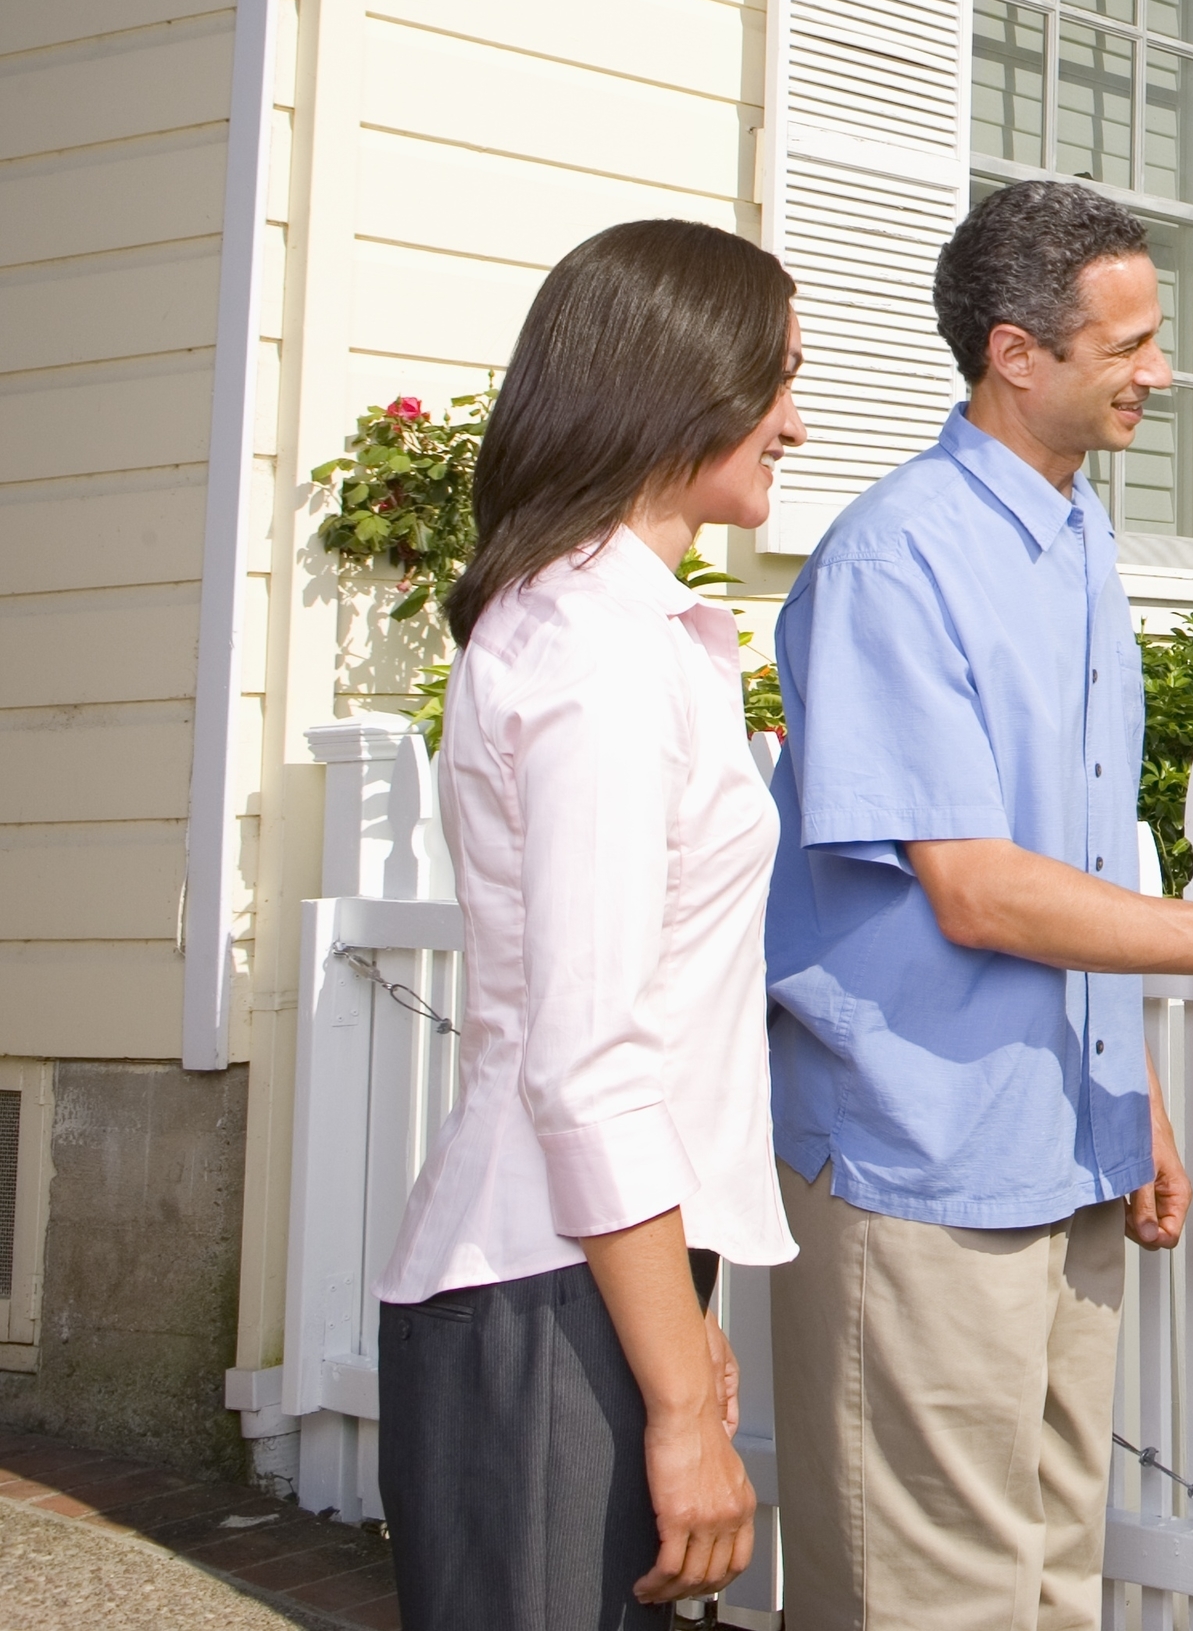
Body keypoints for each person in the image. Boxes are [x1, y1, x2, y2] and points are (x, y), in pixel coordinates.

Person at [760, 177, 1193, 1630]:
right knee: (927, 1598)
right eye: (1129, 342)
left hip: (1065, 1142)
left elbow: (1085, 856)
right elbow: (982, 888)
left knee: (1060, 1578)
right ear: (1017, 353)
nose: (1161, 371)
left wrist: (1134, 1096)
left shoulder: (1076, 538)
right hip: (919, 1164)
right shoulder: (895, 560)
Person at [372, 218, 808, 1627]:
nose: (793, 422)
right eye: (774, 378)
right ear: (675, 385)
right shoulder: (595, 654)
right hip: (544, 1283)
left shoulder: (626, 630)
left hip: (597, 1270)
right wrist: (682, 1401)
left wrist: (684, 1332)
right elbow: (588, 1057)